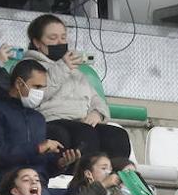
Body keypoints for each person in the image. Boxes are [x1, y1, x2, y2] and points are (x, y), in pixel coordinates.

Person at [22, 15, 128, 160]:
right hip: (50, 121)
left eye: (63, 38)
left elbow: (95, 98)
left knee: (117, 136)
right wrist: (62, 68)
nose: (60, 42)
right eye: (53, 38)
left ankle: (114, 177)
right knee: (84, 133)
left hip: (81, 121)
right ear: (37, 42)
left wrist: (97, 113)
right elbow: (35, 96)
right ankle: (83, 177)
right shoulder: (28, 67)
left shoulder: (75, 70)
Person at [0, 58, 66, 182]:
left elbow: (43, 166)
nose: (40, 92)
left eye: (43, 88)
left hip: (39, 185)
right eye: (37, 86)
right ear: (19, 84)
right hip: (8, 184)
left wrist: (60, 163)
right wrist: (37, 148)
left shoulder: (38, 118)